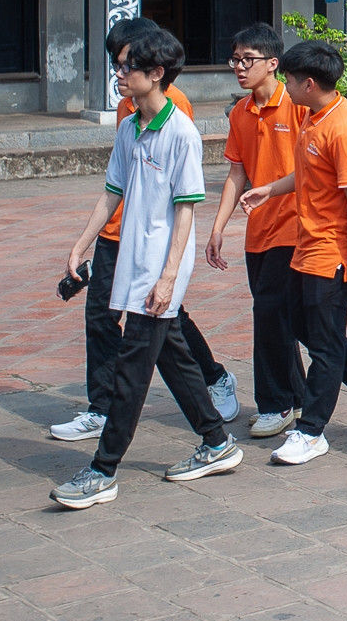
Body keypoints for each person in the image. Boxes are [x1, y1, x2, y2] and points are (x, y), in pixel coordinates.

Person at [51, 29, 241, 509]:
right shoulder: (129, 127)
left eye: (126, 67)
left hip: (160, 268)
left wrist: (168, 276)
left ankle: (103, 469)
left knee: (132, 370)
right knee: (172, 356)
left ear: (155, 74)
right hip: (131, 262)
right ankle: (216, 442)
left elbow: (185, 210)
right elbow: (112, 191)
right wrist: (81, 243)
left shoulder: (180, 132)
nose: (118, 74)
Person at [239, 41, 347, 466]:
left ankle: (311, 431)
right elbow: (308, 172)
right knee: (305, 328)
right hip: (306, 244)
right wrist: (269, 189)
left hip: (332, 251)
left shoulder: (344, 129)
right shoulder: (314, 119)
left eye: (289, 81)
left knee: (325, 345)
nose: (286, 88)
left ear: (308, 83)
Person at [204, 23, 306, 438]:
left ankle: (275, 403)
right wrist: (217, 227)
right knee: (281, 318)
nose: (240, 68)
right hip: (258, 232)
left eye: (249, 60)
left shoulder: (299, 104)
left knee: (268, 316)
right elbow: (236, 173)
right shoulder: (240, 114)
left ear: (273, 63)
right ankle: (300, 397)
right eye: (235, 60)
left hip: (295, 227)